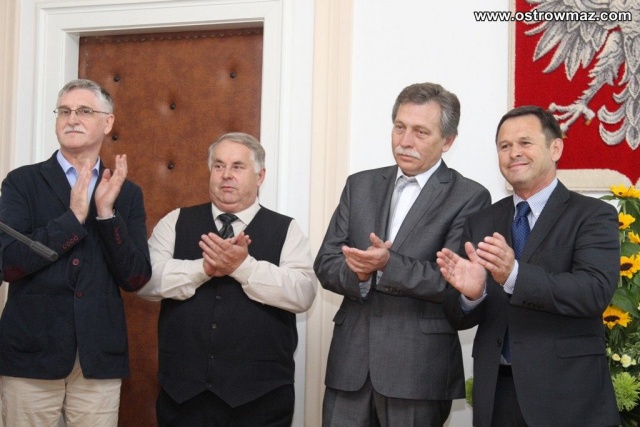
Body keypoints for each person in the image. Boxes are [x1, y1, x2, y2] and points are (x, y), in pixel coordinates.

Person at [314, 82, 491, 426]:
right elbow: (326, 262)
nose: (405, 141)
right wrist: (360, 274)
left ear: (448, 141)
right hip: (350, 366)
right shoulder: (359, 185)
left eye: (420, 132)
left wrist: (387, 265)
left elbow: (452, 279)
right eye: (399, 127)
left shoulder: (469, 197)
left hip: (418, 371)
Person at [437, 105, 620, 426]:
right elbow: (457, 315)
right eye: (504, 146)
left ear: (555, 148)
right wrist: (472, 296)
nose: (514, 153)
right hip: (497, 394)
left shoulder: (593, 215)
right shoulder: (482, 221)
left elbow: (593, 293)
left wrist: (514, 275)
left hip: (567, 395)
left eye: (525, 143)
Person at [137, 132, 317, 426]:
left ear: (260, 176)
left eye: (237, 166)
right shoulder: (176, 221)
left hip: (261, 400)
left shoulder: (287, 229)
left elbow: (303, 293)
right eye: (219, 166)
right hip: (182, 397)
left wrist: (243, 267)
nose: (226, 175)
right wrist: (203, 269)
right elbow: (145, 282)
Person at [0, 78, 151, 426]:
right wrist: (73, 218)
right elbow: (8, 263)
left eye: (84, 111)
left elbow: (136, 277)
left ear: (108, 122)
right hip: (31, 356)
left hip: (98, 357)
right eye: (64, 111)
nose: (72, 119)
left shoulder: (127, 193)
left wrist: (106, 215)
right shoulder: (22, 182)